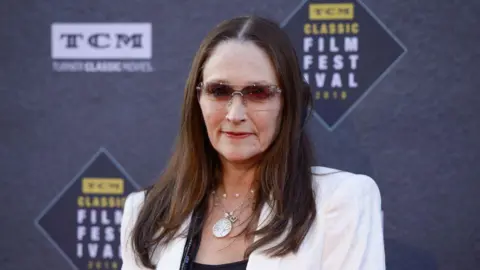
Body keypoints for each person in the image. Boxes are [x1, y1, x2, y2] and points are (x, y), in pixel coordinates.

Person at [120, 15, 385, 270]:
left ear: (289, 103)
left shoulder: (340, 201)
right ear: (197, 98)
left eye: (258, 93)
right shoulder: (147, 212)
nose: (235, 115)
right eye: (219, 91)